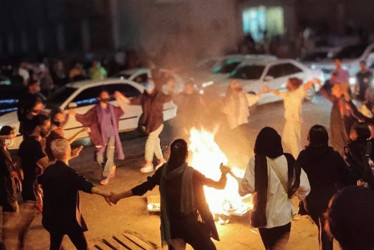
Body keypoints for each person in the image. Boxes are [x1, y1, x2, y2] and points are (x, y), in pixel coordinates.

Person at [109, 139, 230, 250]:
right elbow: (219, 185)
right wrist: (224, 174)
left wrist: (119, 196)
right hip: (191, 226)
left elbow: (144, 187)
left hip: (172, 226)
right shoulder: (192, 174)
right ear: (186, 155)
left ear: (171, 153)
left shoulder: (163, 171)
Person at [239, 127, 310, 250]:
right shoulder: (288, 160)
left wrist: (242, 185)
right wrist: (295, 196)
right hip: (283, 218)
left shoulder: (256, 161)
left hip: (263, 219)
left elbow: (245, 188)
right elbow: (305, 187)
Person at [39, 139, 110, 250]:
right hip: (69, 219)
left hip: (52, 217)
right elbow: (87, 186)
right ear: (68, 152)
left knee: (55, 245)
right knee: (83, 247)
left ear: (53, 153)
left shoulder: (48, 171)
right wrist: (104, 193)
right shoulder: (71, 174)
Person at [297, 125, 353, 250]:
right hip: (329, 200)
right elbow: (347, 178)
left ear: (308, 138)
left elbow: (296, 179)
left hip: (310, 201)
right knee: (326, 232)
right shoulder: (333, 156)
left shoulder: (303, 156)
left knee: (324, 229)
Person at [70, 90, 126, 185]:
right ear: (99, 98)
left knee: (109, 156)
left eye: (107, 96)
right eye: (103, 96)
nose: (106, 97)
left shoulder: (111, 108)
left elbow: (121, 111)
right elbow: (85, 118)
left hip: (111, 135)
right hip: (100, 137)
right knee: (98, 158)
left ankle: (106, 177)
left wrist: (119, 100)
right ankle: (110, 167)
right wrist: (75, 114)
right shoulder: (95, 110)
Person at [122, 78, 174, 173]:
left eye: (150, 84)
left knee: (150, 141)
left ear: (154, 86)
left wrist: (171, 87)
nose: (148, 87)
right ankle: (162, 160)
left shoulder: (159, 95)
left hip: (158, 123)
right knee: (155, 141)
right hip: (149, 124)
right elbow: (131, 102)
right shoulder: (144, 97)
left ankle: (148, 163)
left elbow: (170, 97)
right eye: (147, 84)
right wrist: (121, 97)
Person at [17, 114, 51, 248]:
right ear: (39, 127)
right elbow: (46, 165)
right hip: (32, 187)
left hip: (30, 185)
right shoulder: (34, 144)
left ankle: (21, 243)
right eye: (46, 126)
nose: (47, 129)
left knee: (40, 215)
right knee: (28, 217)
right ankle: (20, 244)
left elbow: (18, 166)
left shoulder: (25, 142)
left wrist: (24, 181)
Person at [265, 78, 320, 157]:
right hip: (289, 121)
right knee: (286, 140)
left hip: (294, 121)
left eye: (288, 83)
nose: (286, 85)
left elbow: (306, 85)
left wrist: (313, 80)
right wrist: (269, 89)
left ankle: (298, 160)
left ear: (292, 84)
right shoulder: (287, 94)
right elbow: (278, 93)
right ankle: (295, 156)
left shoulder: (299, 92)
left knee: (294, 143)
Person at [320, 83, 360, 155]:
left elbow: (348, 119)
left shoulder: (342, 102)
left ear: (341, 91)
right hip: (337, 134)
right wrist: (319, 85)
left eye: (335, 87)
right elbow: (327, 95)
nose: (332, 89)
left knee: (342, 153)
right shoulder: (337, 100)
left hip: (341, 136)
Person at [0, 126, 22, 249]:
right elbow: (9, 171)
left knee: (9, 216)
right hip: (6, 190)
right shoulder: (1, 152)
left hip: (5, 189)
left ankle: (6, 242)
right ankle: (7, 243)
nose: (11, 139)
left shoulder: (3, 149)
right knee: (12, 217)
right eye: (10, 137)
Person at [344, 122, 374, 189]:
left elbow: (350, 166)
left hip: (361, 184)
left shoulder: (351, 147)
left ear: (354, 133)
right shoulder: (370, 144)